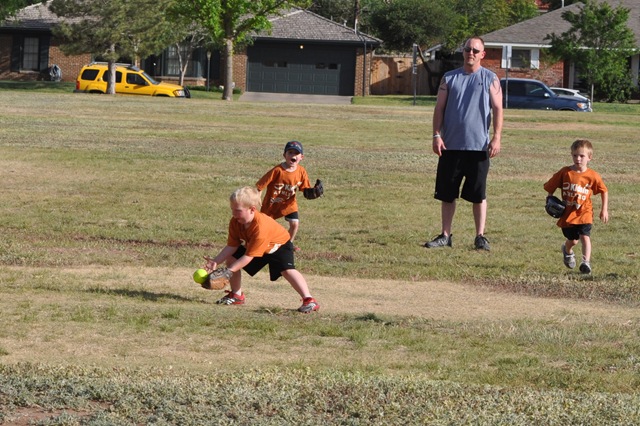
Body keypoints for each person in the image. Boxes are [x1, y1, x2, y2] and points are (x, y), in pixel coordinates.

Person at [425, 36, 503, 251]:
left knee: (478, 195)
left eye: (476, 50)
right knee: (447, 193)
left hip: (478, 147)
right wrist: (436, 135)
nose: (471, 53)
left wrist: (496, 137)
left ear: (482, 54)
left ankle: (480, 236)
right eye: (468, 49)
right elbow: (439, 109)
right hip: (450, 146)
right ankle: (445, 235)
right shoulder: (449, 78)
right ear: (463, 51)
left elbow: (498, 109)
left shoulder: (490, 78)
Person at [203, 186, 320, 313]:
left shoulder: (260, 226)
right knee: (232, 258)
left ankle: (309, 300)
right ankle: (236, 295)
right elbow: (232, 245)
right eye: (232, 210)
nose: (234, 214)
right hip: (257, 247)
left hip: (279, 246)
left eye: (238, 210)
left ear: (252, 209)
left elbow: (249, 256)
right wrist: (216, 261)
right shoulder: (236, 222)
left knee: (287, 271)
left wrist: (229, 271)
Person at [543, 139, 608, 274]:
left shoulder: (592, 176)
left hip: (585, 212)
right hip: (568, 214)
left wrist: (604, 210)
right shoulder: (565, 172)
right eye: (575, 155)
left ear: (589, 157)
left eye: (582, 156)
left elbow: (604, 191)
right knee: (573, 241)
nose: (578, 159)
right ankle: (567, 251)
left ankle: (586, 262)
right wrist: (549, 199)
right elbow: (551, 186)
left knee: (585, 236)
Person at [256, 140, 317, 251]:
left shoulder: (301, 171)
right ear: (284, 155)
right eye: (290, 153)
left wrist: (312, 192)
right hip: (272, 204)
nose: (293, 155)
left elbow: (304, 189)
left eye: (296, 153)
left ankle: (288, 244)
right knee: (264, 227)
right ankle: (260, 243)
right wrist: (257, 197)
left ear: (301, 157)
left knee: (295, 224)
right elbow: (261, 184)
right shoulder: (278, 170)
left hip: (289, 204)